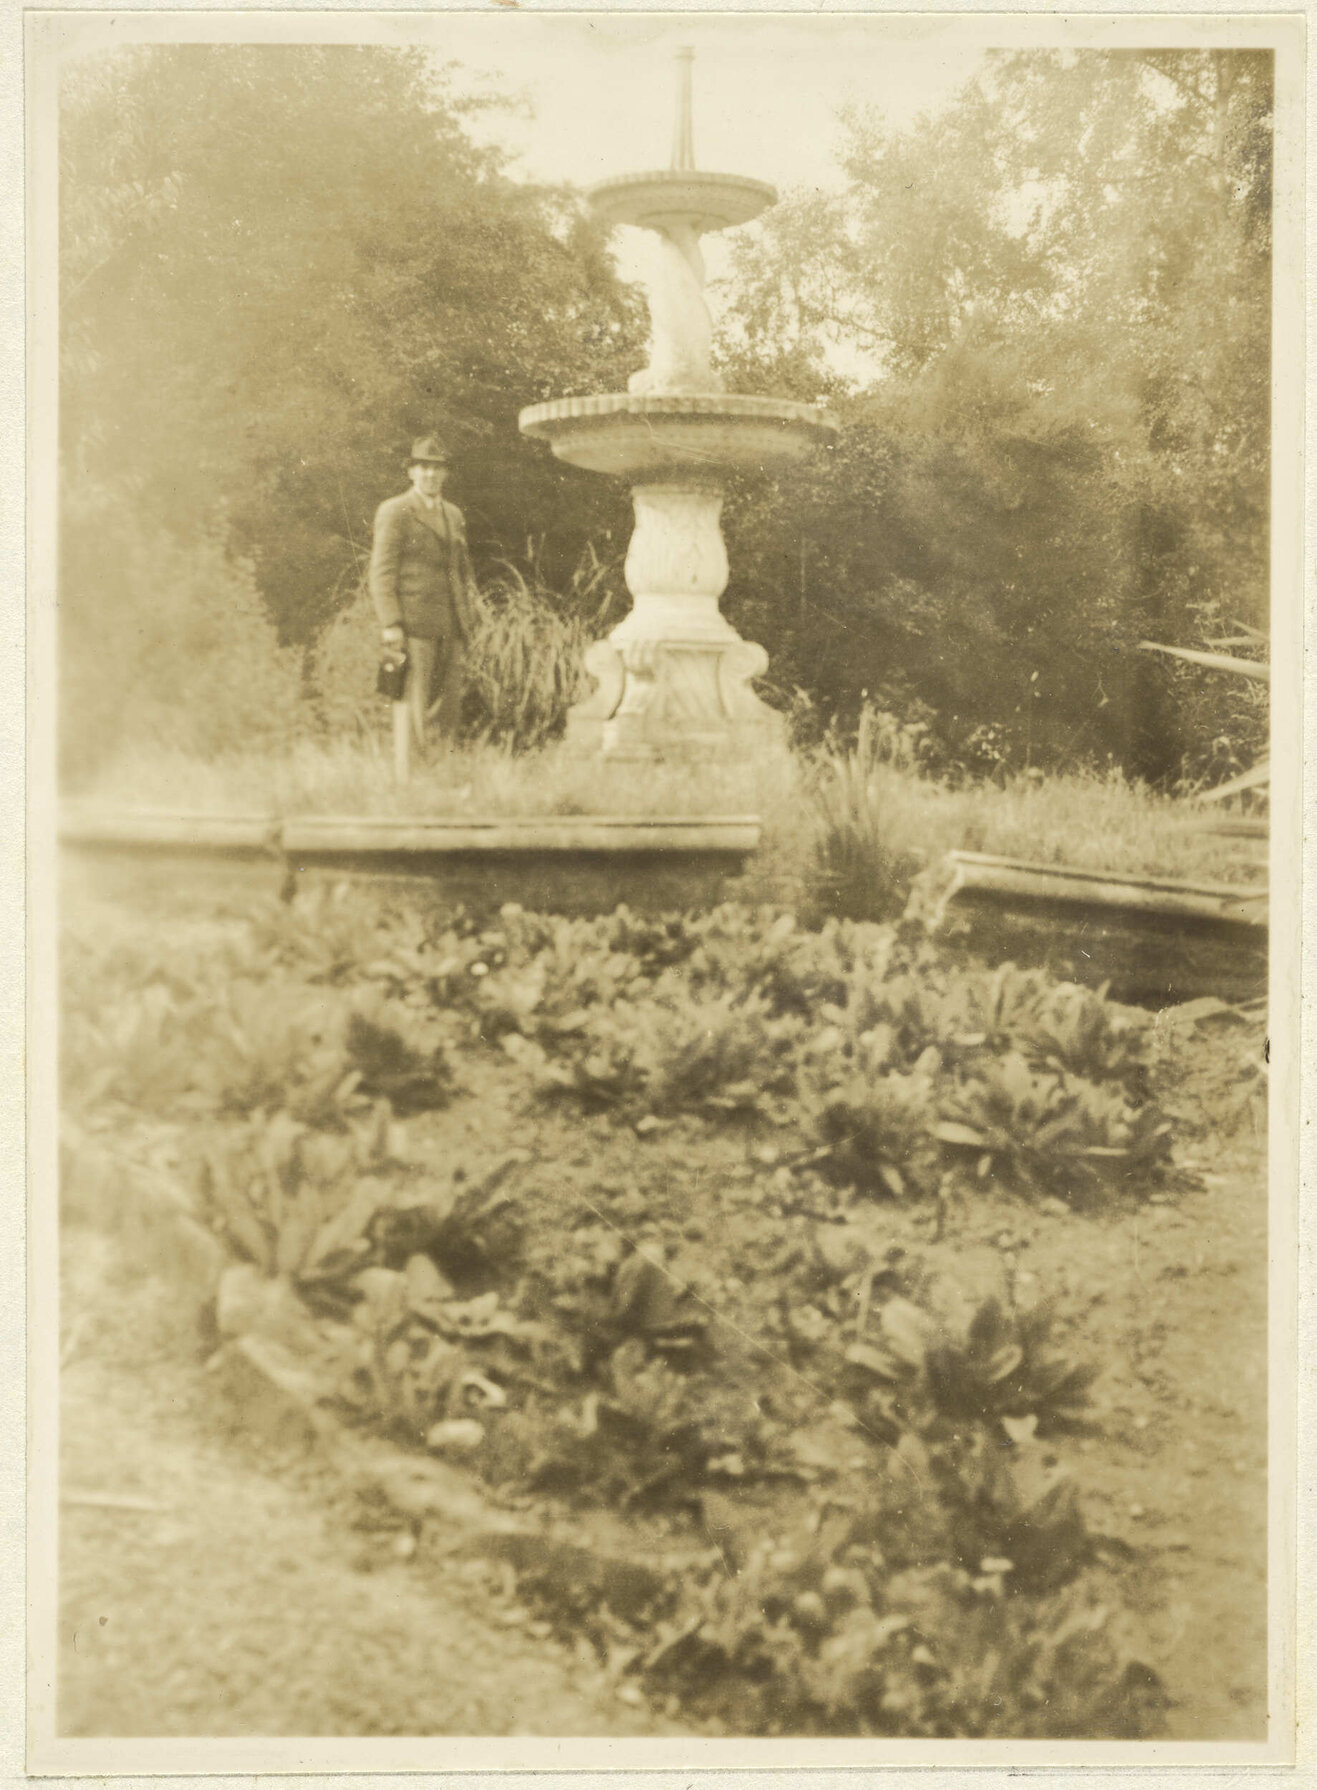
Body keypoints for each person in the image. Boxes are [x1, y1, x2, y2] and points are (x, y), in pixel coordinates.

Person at [369, 434, 479, 761]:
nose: (430, 475)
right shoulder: (395, 511)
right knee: (413, 704)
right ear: (411, 473)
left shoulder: (454, 515)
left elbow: (462, 570)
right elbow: (381, 573)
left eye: (437, 468)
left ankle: (442, 774)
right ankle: (412, 781)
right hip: (413, 624)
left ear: (445, 474)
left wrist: (469, 615)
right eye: (423, 468)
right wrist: (391, 623)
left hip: (451, 624)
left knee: (448, 706)